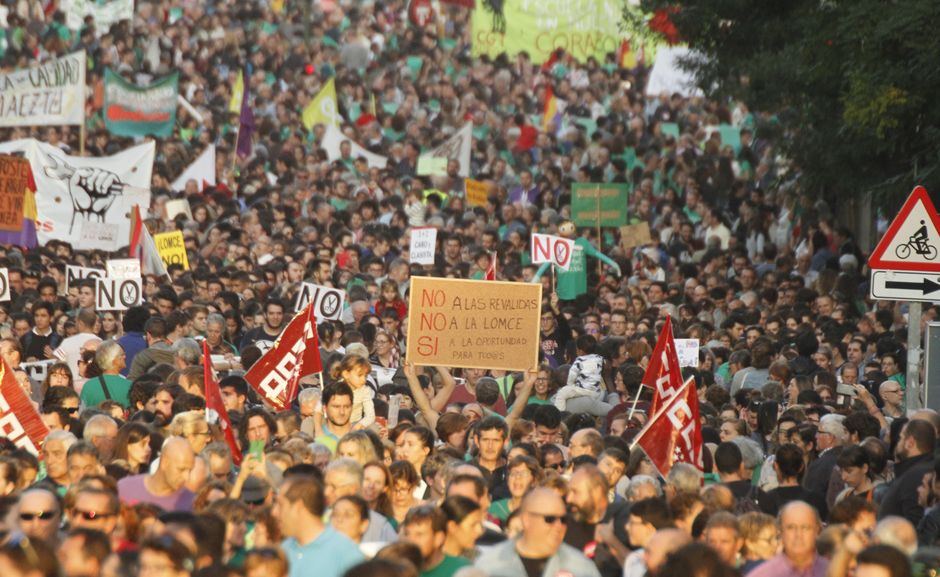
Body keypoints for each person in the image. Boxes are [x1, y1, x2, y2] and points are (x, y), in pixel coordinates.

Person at [475, 487, 601, 577]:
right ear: (526, 520)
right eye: (549, 519)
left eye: (563, 519)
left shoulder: (581, 567)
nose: (559, 526)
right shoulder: (489, 565)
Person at [275, 474, 364, 577]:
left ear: (298, 506)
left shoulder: (346, 553)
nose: (274, 512)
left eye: (280, 505)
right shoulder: (284, 550)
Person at [748, 501, 828, 577]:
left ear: (817, 530)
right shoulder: (763, 574)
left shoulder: (834, 571)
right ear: (780, 531)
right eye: (791, 528)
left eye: (805, 528)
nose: (798, 535)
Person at [117, 437, 196, 511]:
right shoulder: (125, 488)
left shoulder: (191, 503)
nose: (186, 477)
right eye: (181, 469)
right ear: (164, 463)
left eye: (190, 470)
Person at [880, 419, 936, 525]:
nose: (898, 443)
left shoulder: (917, 476)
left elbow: (915, 521)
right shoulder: (914, 471)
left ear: (910, 443)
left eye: (901, 438)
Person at [400, 504, 470, 577]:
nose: (410, 540)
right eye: (406, 534)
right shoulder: (396, 569)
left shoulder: (462, 571)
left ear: (439, 539)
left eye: (419, 535)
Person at [440, 495, 484, 560]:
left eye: (480, 524)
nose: (480, 531)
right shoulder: (428, 563)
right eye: (473, 525)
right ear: (452, 527)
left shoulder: (479, 558)